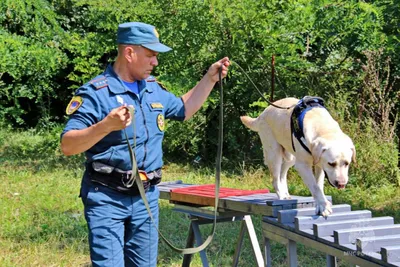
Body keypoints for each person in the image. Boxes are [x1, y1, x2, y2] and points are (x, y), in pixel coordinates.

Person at [60, 21, 229, 267]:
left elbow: (184, 108)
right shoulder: (96, 93)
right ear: (129, 53)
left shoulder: (152, 89)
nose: (155, 62)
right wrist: (105, 125)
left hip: (146, 197)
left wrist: (210, 79)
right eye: (150, 55)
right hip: (106, 198)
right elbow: (68, 145)